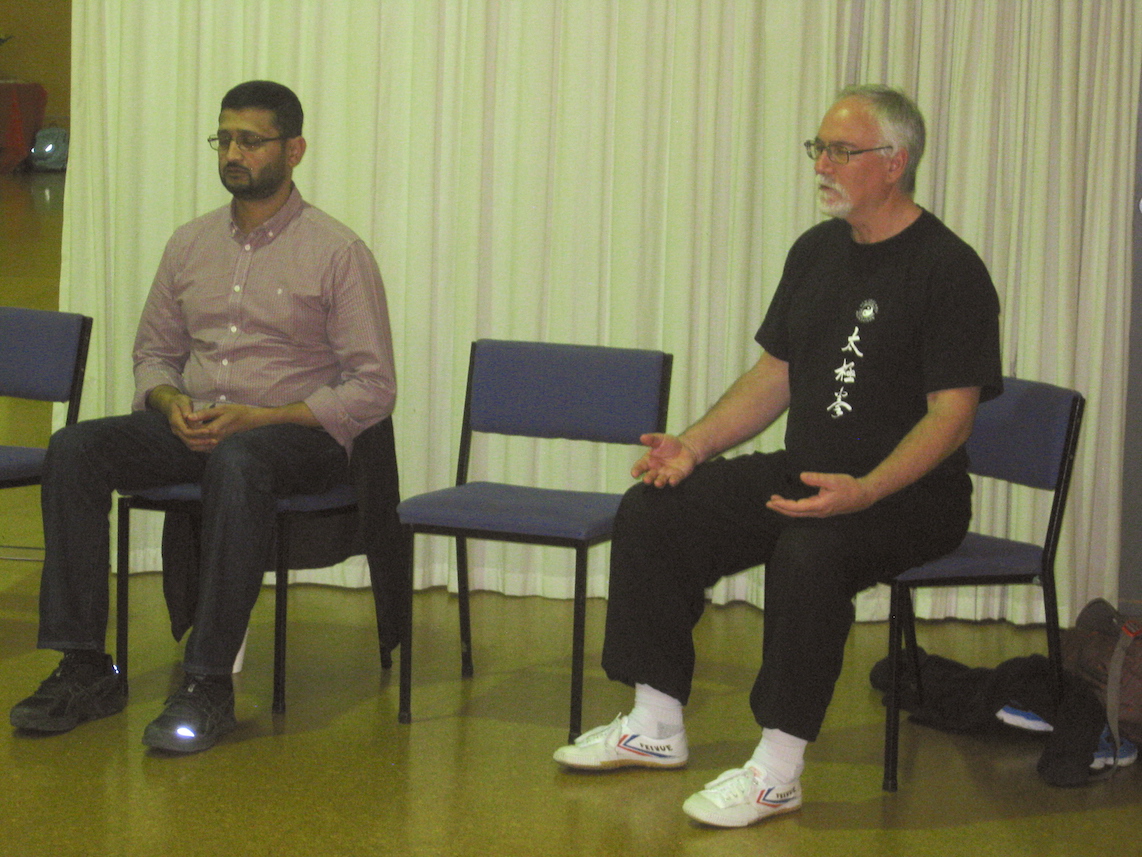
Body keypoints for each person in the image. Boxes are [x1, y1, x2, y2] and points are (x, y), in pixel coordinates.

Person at [552, 84, 1002, 828]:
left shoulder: (949, 269)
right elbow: (776, 374)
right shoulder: (816, 251)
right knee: (657, 509)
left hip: (909, 497)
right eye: (816, 148)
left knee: (808, 553)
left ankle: (778, 770)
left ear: (894, 162)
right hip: (807, 470)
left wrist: (865, 490)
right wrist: (692, 444)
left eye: (840, 150)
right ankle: (656, 723)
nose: (821, 164)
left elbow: (951, 419)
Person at [9, 80, 396, 754]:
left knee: (243, 461)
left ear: (294, 149)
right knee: (74, 449)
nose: (233, 152)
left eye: (250, 139)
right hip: (198, 426)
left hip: (296, 436)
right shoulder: (190, 244)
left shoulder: (337, 252)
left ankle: (208, 681)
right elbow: (154, 353)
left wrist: (264, 416)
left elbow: (373, 386)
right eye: (224, 138)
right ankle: (83, 666)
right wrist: (169, 401)